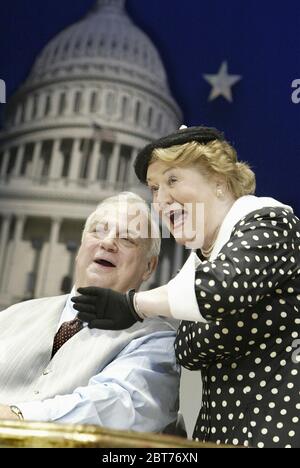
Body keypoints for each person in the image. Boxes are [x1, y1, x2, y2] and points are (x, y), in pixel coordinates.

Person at [73, 126, 300, 448]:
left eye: (173, 180)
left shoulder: (271, 222)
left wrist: (133, 306)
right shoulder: (195, 269)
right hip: (216, 437)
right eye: (154, 188)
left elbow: (218, 291)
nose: (161, 199)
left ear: (219, 182)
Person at [0, 192, 180, 433]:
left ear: (149, 266)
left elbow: (119, 405)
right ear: (81, 246)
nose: (107, 243)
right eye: (98, 231)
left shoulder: (157, 340)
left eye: (127, 238)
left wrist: (19, 417)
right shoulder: (12, 316)